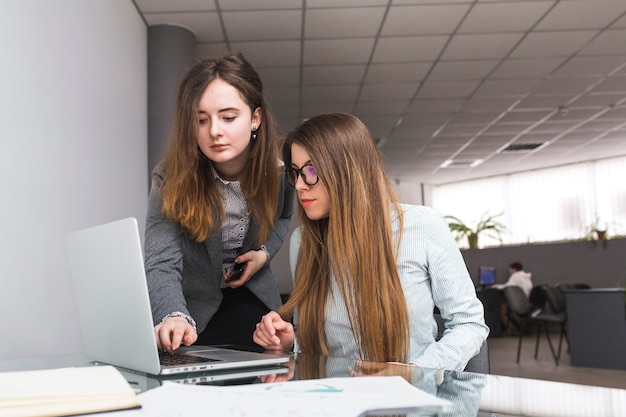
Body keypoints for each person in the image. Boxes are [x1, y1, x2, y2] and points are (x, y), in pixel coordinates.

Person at [253, 112, 489, 371]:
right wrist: (291, 340)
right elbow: (319, 342)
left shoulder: (422, 225)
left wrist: (414, 372)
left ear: (348, 171)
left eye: (311, 171)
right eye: (295, 172)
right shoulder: (304, 241)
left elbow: (469, 324)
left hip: (411, 400)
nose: (298, 185)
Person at [144, 52, 295, 354]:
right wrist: (173, 313)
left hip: (254, 304)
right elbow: (161, 259)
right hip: (191, 309)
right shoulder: (170, 176)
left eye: (228, 117)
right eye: (201, 120)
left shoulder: (279, 174)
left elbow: (283, 219)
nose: (214, 131)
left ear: (255, 118)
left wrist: (264, 254)